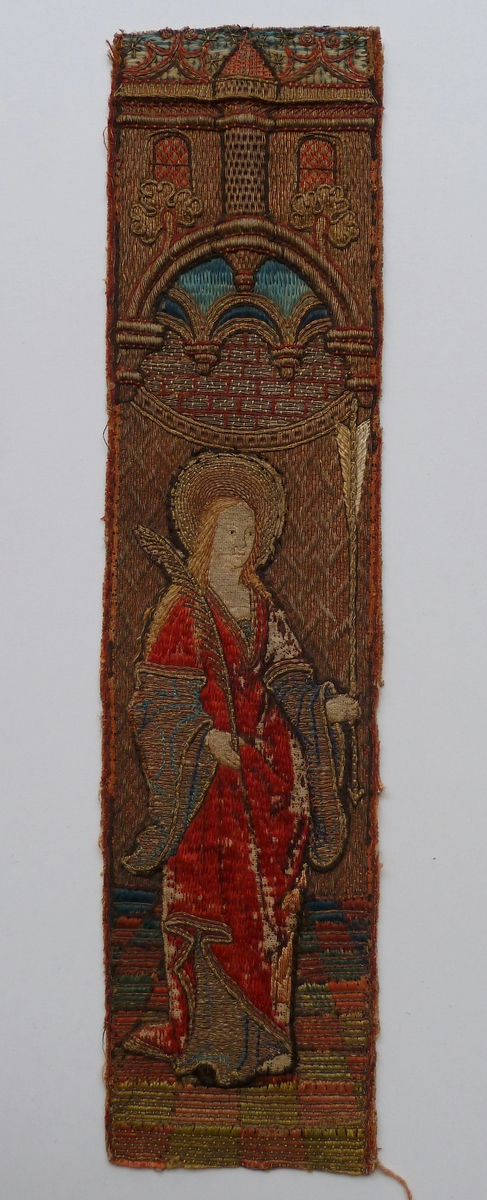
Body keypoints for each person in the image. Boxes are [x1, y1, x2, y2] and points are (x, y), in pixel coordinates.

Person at [123, 452, 359, 1085]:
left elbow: (287, 677)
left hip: (265, 768)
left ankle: (268, 1038)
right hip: (208, 783)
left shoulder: (260, 602)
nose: (239, 541)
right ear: (205, 533)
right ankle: (211, 1043)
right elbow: (157, 701)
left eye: (249, 532)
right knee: (221, 908)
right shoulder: (182, 606)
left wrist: (322, 706)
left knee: (269, 911)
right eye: (229, 529)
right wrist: (203, 738)